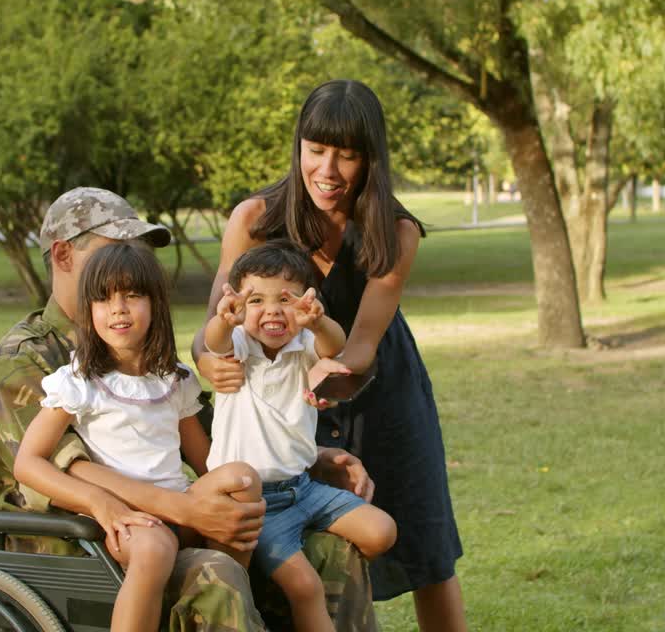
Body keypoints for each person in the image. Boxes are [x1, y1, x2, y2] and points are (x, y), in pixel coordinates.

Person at [0, 187, 376, 631]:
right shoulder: (26, 359)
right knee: (216, 571)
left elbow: (211, 447)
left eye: (138, 256)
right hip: (75, 538)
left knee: (330, 548)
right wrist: (184, 510)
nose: (131, 264)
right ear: (64, 255)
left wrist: (303, 461)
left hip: (167, 518)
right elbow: (68, 468)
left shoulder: (150, 354)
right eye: (116, 249)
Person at [193, 80, 467, 631]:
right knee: (299, 552)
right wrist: (208, 360)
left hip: (377, 394)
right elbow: (211, 328)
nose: (329, 170)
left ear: (371, 159)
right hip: (276, 402)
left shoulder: (396, 230)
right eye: (317, 150)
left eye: (348, 155)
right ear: (299, 147)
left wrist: (328, 365)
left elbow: (362, 345)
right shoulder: (253, 218)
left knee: (425, 549)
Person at [17, 242, 266, 631]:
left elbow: (206, 462)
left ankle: (227, 589)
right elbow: (27, 462)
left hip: (177, 506)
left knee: (241, 478)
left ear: (155, 305)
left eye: (131, 295)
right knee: (154, 547)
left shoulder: (174, 378)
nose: (117, 308)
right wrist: (98, 500)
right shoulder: (81, 381)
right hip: (128, 519)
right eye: (103, 299)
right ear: (89, 311)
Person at [204, 241, 396, 632]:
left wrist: (317, 322)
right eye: (256, 299)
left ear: (306, 303)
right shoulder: (238, 348)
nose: (272, 310)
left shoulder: (304, 347)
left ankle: (291, 541)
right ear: (239, 307)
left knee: (381, 532)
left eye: (286, 299)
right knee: (306, 588)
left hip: (304, 489)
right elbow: (213, 341)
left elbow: (336, 345)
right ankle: (275, 552)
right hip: (258, 503)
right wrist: (224, 320)